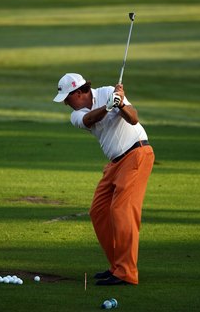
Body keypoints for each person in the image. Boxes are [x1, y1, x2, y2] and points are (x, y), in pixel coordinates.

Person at [53, 73, 154, 286]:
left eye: (67, 99)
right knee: (98, 211)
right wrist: (109, 107)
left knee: (122, 211)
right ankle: (117, 266)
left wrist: (120, 104)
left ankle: (127, 272)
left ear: (79, 93)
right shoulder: (77, 115)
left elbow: (133, 118)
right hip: (115, 164)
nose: (65, 104)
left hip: (137, 154)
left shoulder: (108, 91)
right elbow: (90, 119)